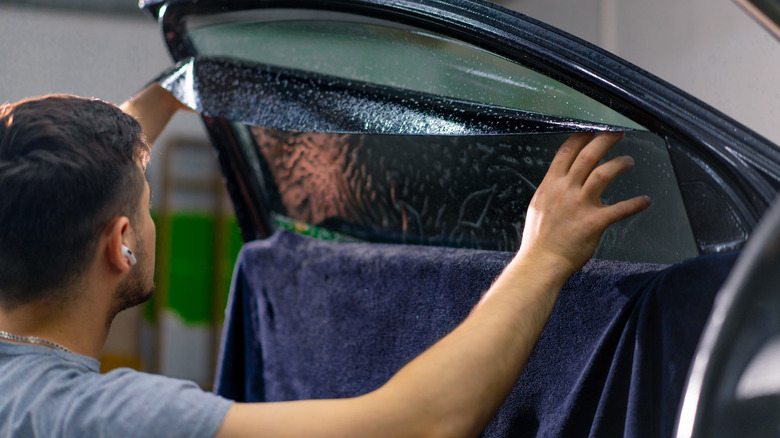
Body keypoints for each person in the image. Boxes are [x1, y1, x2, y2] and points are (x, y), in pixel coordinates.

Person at [0, 83, 650, 438]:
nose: (150, 216)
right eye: (144, 206)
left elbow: (44, 178)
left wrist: (173, 89)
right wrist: (544, 255)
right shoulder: (93, 418)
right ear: (121, 244)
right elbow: (417, 425)